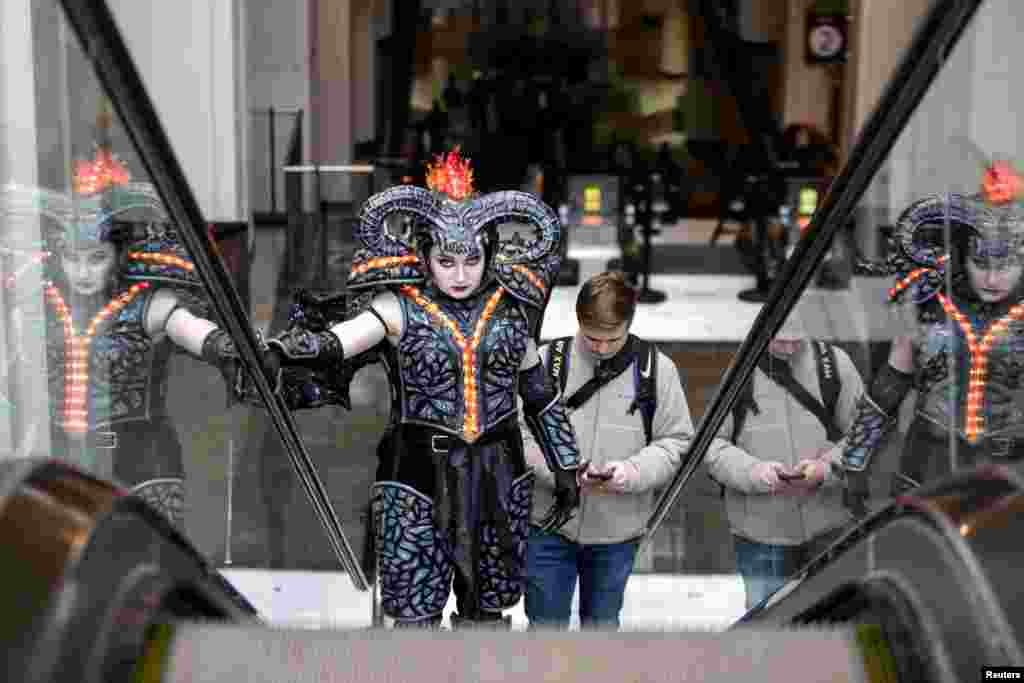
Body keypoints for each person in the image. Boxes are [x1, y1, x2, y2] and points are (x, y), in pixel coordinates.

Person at [264, 148, 582, 628]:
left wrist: (566, 466)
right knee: (414, 614)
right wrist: (283, 350)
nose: (459, 274)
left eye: (472, 259)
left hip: (497, 472)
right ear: (425, 253)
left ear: (489, 252)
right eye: (446, 260)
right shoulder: (397, 307)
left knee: (488, 611)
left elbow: (538, 393)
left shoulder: (512, 309)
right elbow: (339, 343)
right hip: (416, 475)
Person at [1, 149, 242, 526]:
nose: (81, 272)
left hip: (143, 460)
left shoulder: (148, 303)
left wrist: (232, 347)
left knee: (146, 562)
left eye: (96, 258)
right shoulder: (38, 305)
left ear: (118, 255)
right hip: (62, 457)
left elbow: (196, 332)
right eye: (72, 258)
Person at [843, 163, 1024, 510]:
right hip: (926, 465)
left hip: (1007, 472)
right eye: (980, 261)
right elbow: (890, 384)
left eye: (1006, 264)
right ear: (960, 253)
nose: (991, 277)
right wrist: (855, 458)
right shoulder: (929, 302)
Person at [522, 271, 693, 630]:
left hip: (617, 533)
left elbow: (675, 443)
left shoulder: (657, 371)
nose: (600, 347)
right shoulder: (545, 362)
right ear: (578, 321)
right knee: (543, 628)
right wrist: (558, 471)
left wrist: (630, 472)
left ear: (630, 322)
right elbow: (518, 432)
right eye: (591, 337)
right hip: (548, 526)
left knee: (601, 628)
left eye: (611, 339)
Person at [705, 310, 864, 610]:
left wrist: (826, 468)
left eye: (796, 340)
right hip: (761, 534)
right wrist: (754, 472)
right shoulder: (738, 373)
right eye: (780, 340)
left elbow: (863, 435)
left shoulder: (834, 366)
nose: (790, 348)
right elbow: (711, 448)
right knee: (767, 624)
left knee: (831, 617)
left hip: (827, 527)